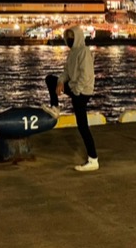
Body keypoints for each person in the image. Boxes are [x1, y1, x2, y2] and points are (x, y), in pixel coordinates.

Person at [41, 25, 99, 172]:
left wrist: (76, 92)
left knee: (82, 126)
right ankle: (55, 107)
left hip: (82, 92)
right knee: (51, 79)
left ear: (78, 37)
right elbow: (67, 72)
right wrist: (61, 81)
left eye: (72, 37)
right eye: (68, 38)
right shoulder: (72, 53)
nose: (69, 40)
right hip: (74, 89)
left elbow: (86, 76)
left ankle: (93, 159)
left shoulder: (84, 52)